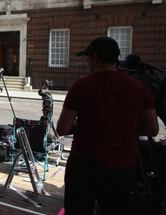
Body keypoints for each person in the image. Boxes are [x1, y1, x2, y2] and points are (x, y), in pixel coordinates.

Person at [57, 37, 159, 215]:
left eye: (88, 58)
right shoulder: (138, 88)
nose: (88, 62)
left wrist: (83, 127)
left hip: (84, 166)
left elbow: (62, 129)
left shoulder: (81, 86)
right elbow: (153, 129)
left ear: (95, 58)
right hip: (121, 169)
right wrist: (125, 129)